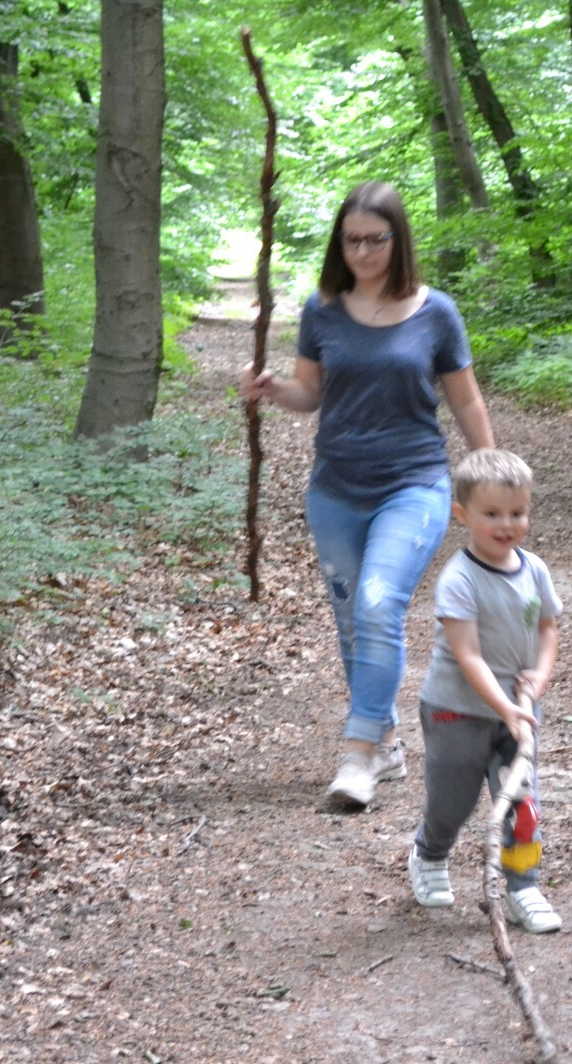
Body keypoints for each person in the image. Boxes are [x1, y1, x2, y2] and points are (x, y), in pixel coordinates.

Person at [239, 181, 495, 810]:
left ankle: (357, 757)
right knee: (354, 621)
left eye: (375, 240)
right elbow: (310, 394)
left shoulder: (437, 312)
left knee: (380, 605)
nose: (362, 252)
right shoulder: (322, 309)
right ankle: (383, 740)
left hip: (414, 483)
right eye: (351, 240)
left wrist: (487, 468)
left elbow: (464, 398)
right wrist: (270, 389)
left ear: (397, 239)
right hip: (335, 489)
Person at [406, 448, 564, 933]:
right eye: (492, 513)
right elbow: (468, 656)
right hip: (456, 711)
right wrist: (503, 707)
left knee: (522, 803)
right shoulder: (459, 579)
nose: (506, 524)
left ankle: (523, 886)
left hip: (518, 712)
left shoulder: (534, 569)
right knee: (451, 804)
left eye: (517, 513)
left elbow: (548, 627)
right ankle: (430, 852)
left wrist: (538, 677)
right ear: (462, 514)